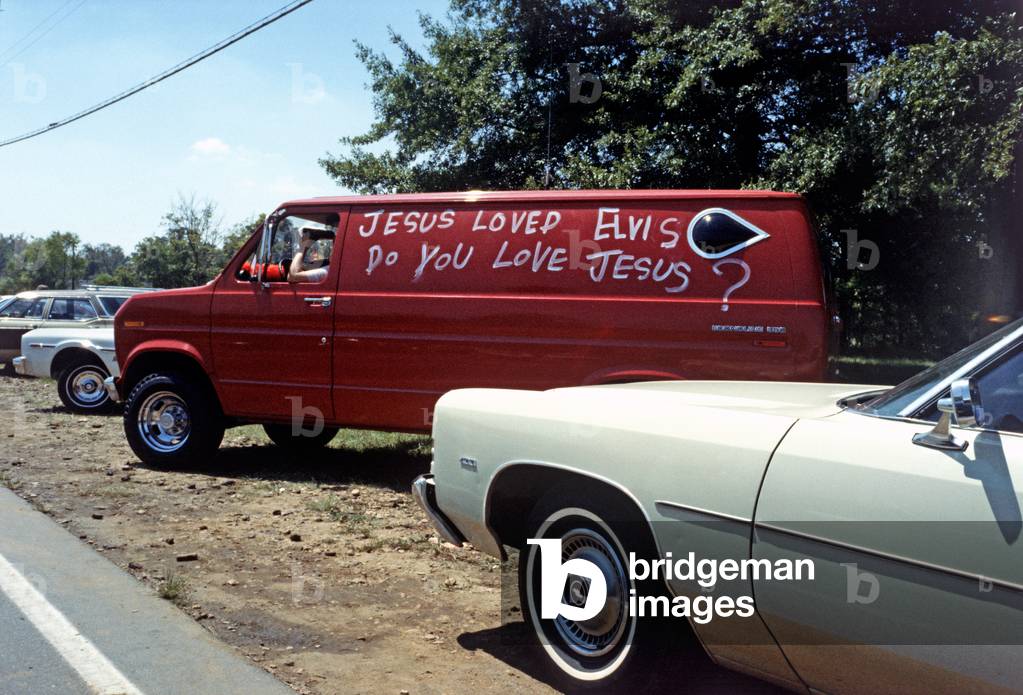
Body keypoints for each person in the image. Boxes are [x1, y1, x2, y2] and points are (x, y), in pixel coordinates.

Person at [288, 214, 338, 283]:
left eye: (335, 245)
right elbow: (304, 267)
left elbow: (293, 276)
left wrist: (302, 247)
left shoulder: (330, 270)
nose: (332, 249)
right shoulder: (335, 267)